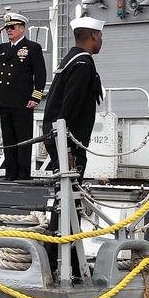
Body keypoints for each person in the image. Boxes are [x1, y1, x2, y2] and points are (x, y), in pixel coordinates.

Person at [0, 13, 47, 181]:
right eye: (7, 27)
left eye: (12, 27)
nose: (9, 30)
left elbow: (40, 74)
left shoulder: (32, 47)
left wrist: (36, 96)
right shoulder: (2, 48)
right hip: (4, 99)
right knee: (8, 138)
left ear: (21, 28)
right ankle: (11, 173)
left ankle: (23, 174)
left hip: (22, 100)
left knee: (23, 139)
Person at [43, 16, 105, 179]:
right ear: (94, 36)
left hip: (60, 137)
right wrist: (67, 149)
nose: (101, 40)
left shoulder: (71, 59)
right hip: (69, 141)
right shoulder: (82, 64)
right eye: (101, 36)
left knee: (65, 191)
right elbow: (71, 106)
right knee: (69, 191)